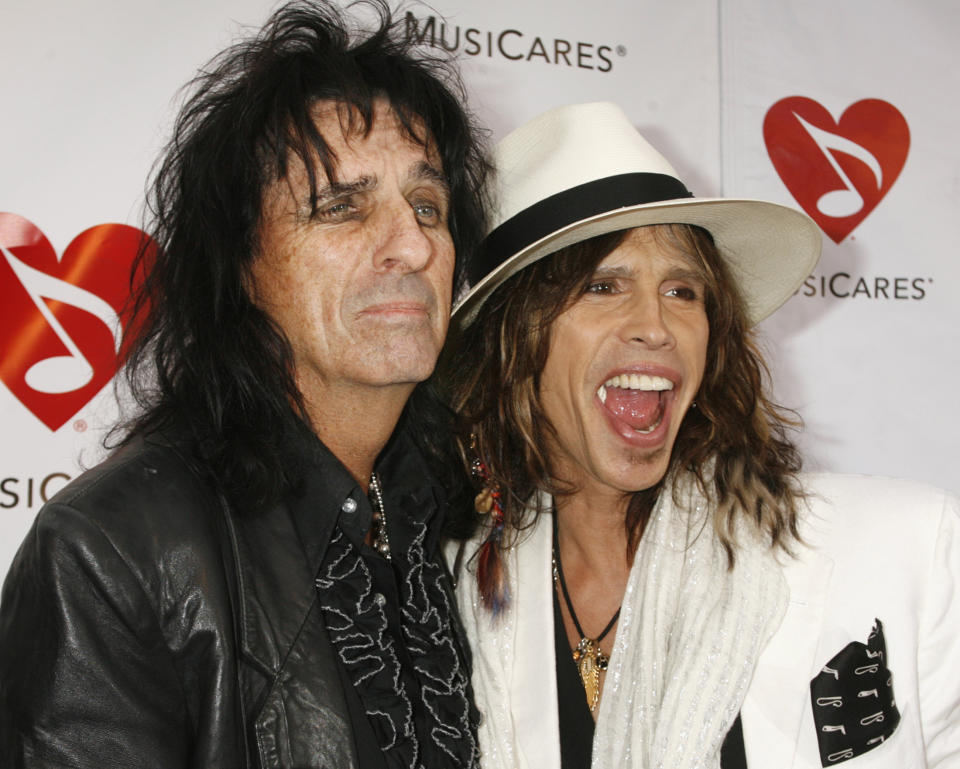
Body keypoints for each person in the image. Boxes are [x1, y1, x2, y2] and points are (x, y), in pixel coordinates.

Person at [0, 2, 489, 767]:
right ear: (238, 265)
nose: (413, 243)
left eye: (428, 205)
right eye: (343, 207)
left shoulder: (452, 514)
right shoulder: (111, 555)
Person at [443, 102, 960, 769]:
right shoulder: (454, 597)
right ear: (512, 343)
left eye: (684, 291)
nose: (656, 326)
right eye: (604, 285)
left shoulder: (908, 545)